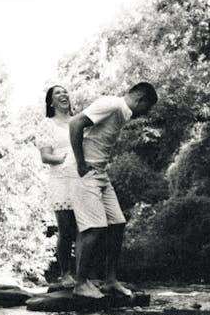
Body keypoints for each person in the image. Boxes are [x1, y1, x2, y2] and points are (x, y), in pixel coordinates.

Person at [66, 82, 158, 299]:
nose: (146, 113)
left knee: (117, 223)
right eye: (147, 107)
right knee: (94, 228)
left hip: (99, 173)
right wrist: (80, 162)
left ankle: (110, 281)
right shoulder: (112, 104)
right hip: (84, 171)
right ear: (140, 100)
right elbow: (75, 124)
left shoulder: (121, 113)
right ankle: (80, 283)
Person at [37, 85, 77, 288]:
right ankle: (65, 274)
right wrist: (63, 159)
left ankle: (83, 274)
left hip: (82, 177)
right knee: (66, 228)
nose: (63, 95)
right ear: (51, 102)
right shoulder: (47, 124)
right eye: (57, 93)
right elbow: (45, 156)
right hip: (60, 178)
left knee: (85, 228)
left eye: (65, 92)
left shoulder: (79, 121)